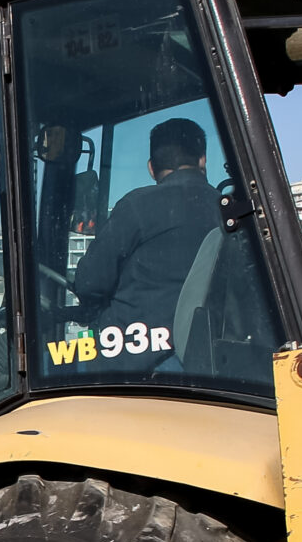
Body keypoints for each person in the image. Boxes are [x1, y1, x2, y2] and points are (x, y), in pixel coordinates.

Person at [68, 116, 218, 363]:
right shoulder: (228, 211)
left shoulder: (136, 206)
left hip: (135, 361)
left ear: (151, 168)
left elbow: (89, 283)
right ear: (202, 160)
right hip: (207, 357)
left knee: (50, 363)